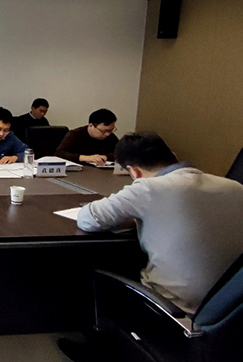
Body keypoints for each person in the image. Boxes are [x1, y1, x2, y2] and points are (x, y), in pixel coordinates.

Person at [59, 133, 243, 362]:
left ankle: (100, 350)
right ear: (173, 156)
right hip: (230, 310)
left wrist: (135, 216)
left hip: (177, 310)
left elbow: (88, 219)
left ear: (134, 172)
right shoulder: (235, 186)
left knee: (93, 270)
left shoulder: (148, 188)